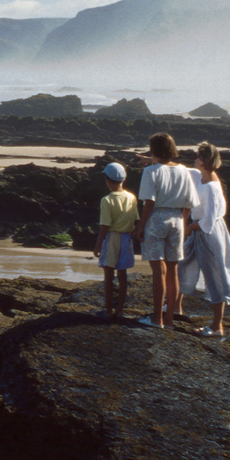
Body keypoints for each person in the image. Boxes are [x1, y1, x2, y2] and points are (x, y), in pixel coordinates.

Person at [178, 141, 230, 338]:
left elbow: (211, 218)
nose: (195, 158)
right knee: (181, 264)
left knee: (214, 276)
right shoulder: (200, 176)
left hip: (210, 233)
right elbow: (182, 171)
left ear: (205, 160)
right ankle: (175, 307)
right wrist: (154, 161)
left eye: (198, 155)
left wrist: (189, 227)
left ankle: (217, 326)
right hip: (198, 230)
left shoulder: (213, 186)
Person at [134, 133, 202, 328]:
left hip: (156, 218)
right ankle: (170, 319)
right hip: (177, 220)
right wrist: (183, 221)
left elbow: (149, 202)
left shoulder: (150, 172)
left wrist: (140, 226)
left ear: (153, 150)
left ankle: (156, 319)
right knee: (173, 271)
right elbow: (190, 203)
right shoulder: (183, 171)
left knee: (158, 272)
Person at [92, 161, 138, 319]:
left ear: (108, 180)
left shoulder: (107, 200)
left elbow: (105, 225)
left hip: (111, 237)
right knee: (123, 275)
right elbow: (135, 221)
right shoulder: (131, 197)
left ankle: (108, 310)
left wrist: (97, 246)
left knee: (108, 276)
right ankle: (120, 311)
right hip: (126, 237)